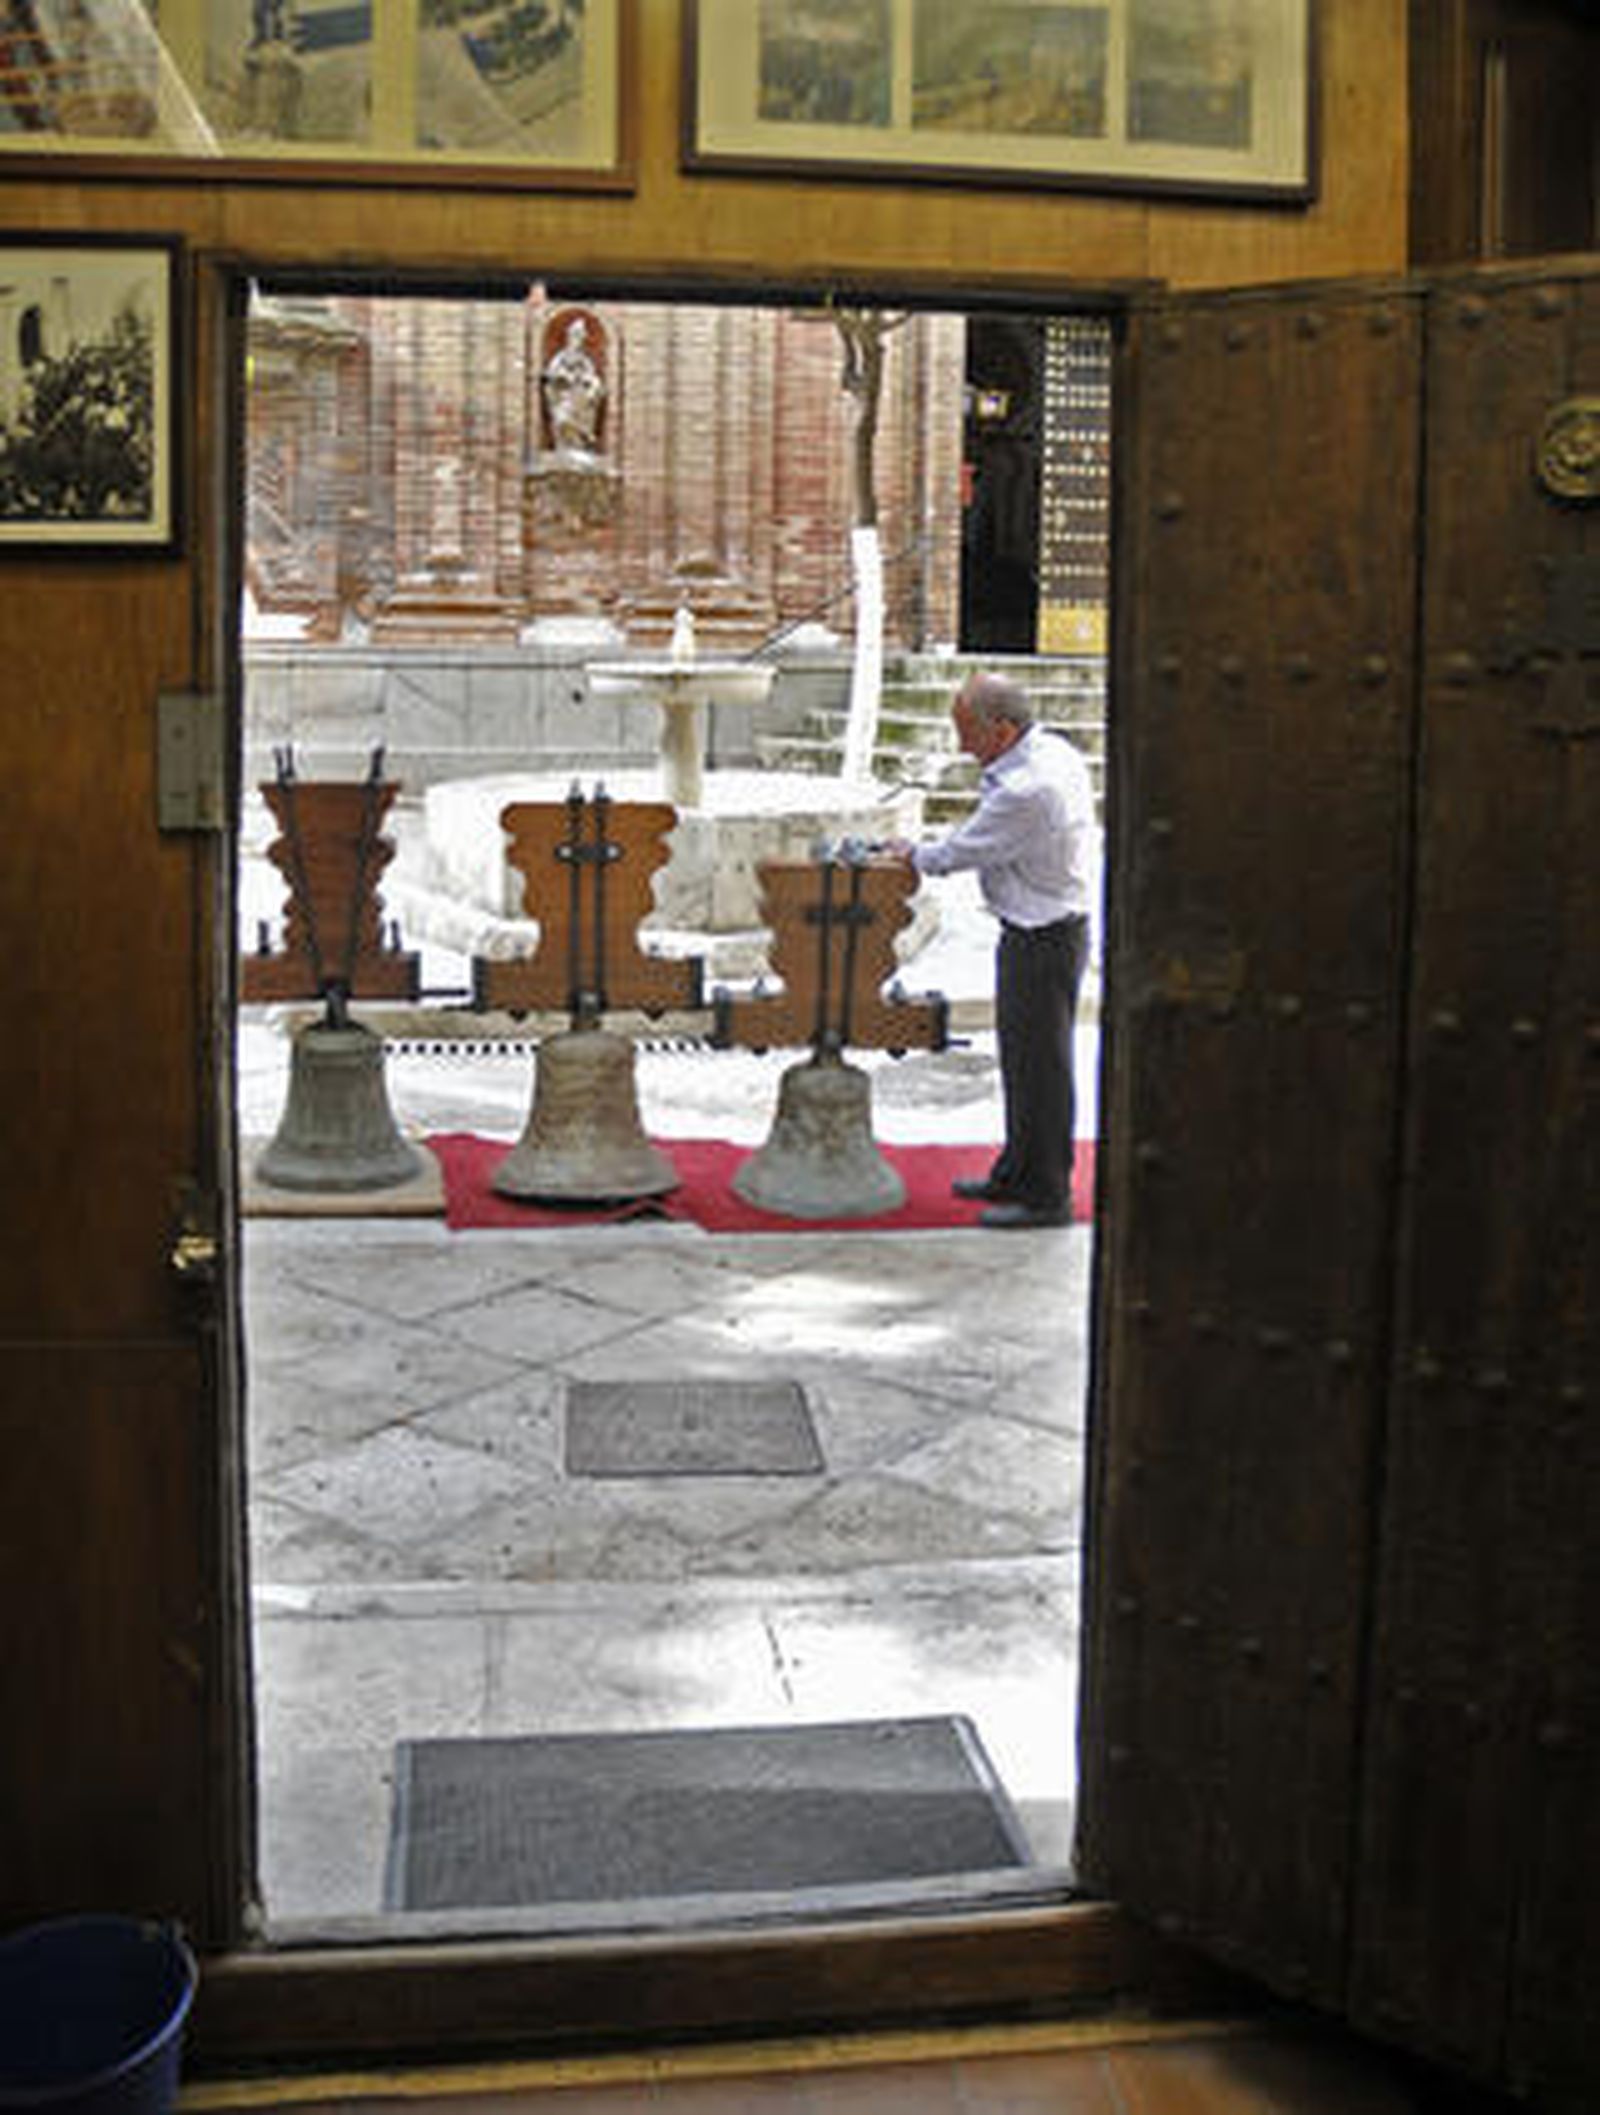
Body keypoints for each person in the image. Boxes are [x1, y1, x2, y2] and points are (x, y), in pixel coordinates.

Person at [891, 669, 1097, 1229]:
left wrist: (910, 853)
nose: (959, 744)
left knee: (1041, 1068)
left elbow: (962, 852)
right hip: (1039, 929)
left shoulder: (1029, 789)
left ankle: (1047, 1194)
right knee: (1022, 1060)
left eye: (966, 731)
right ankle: (1016, 1171)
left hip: (1044, 937)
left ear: (1003, 731)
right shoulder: (1048, 752)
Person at [541, 316, 605, 455]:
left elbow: (592, 378)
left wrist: (589, 383)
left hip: (580, 402)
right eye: (575, 335)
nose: (578, 339)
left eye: (580, 336)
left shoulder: (585, 360)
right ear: (569, 336)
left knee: (578, 428)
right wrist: (563, 377)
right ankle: (563, 448)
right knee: (562, 420)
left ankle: (579, 447)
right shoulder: (561, 357)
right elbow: (550, 375)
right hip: (563, 397)